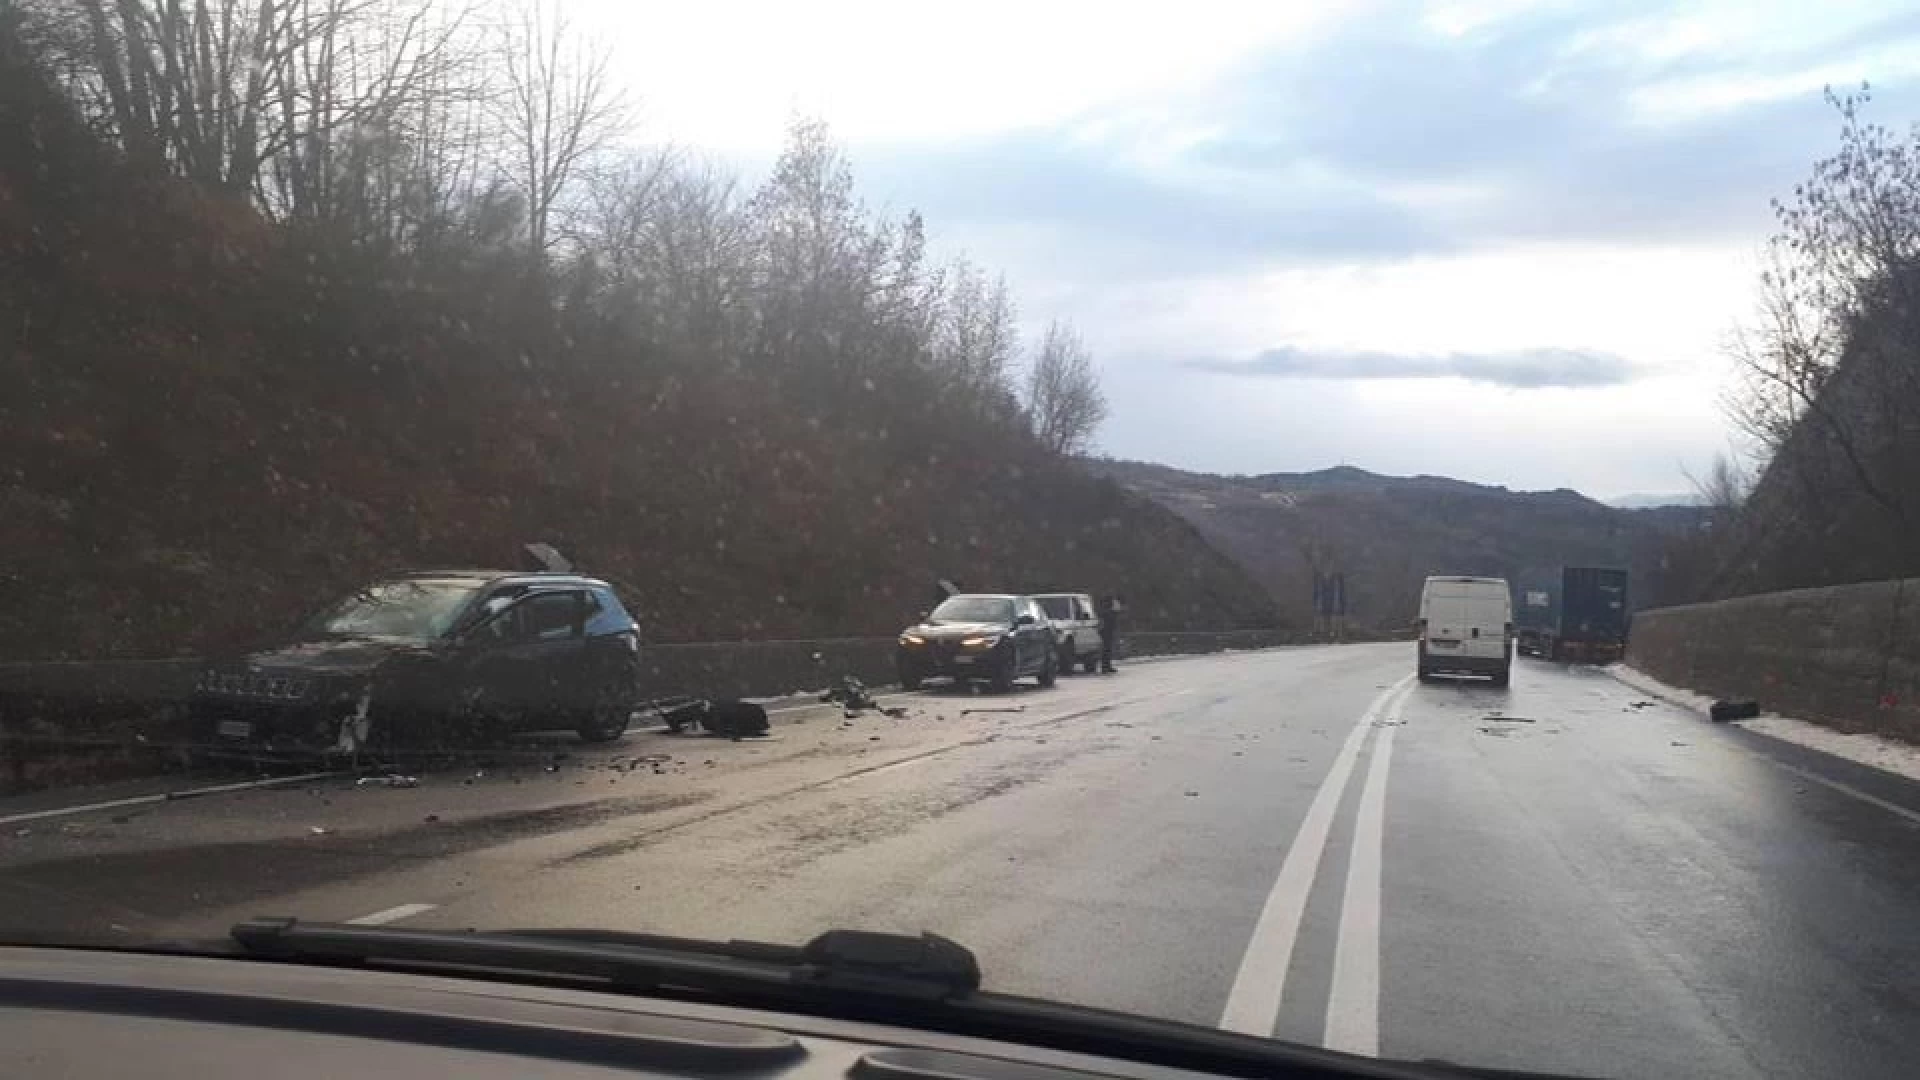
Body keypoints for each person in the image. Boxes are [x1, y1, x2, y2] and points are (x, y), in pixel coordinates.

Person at [1097, 593, 1124, 673]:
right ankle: (1105, 667)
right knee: (1106, 649)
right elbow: (1114, 614)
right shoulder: (1107, 611)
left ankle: (1107, 666)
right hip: (1106, 630)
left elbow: (1117, 612)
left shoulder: (1106, 610)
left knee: (1108, 649)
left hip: (1107, 630)